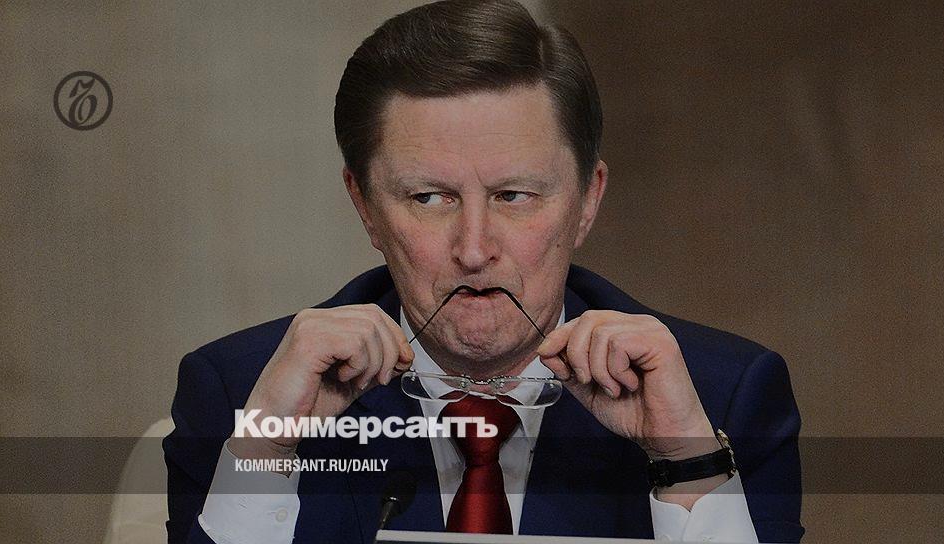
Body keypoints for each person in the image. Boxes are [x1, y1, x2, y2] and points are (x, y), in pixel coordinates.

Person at [163, 1, 803, 542]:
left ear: (587, 200)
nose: (474, 250)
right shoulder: (241, 393)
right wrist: (267, 447)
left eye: (514, 196)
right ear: (365, 207)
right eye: (428, 198)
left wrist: (684, 460)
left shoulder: (722, 397)